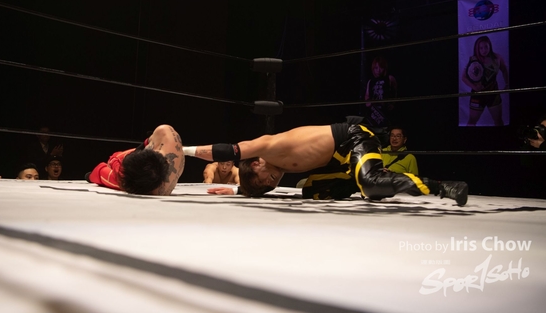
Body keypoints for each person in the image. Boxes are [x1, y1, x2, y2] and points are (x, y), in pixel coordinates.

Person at [185, 116, 468, 206]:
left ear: (257, 163)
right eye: (269, 186)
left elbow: (229, 151)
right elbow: (260, 182)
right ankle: (367, 181)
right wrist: (240, 189)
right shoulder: (276, 166)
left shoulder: (268, 147)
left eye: (266, 180)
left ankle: (443, 186)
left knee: (370, 184)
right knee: (311, 190)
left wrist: (182, 150)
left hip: (355, 139)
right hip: (339, 160)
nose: (273, 182)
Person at [86, 124, 185, 195]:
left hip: (134, 176)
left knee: (114, 164)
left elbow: (97, 173)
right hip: (147, 159)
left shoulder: (132, 183)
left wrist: (91, 176)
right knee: (117, 160)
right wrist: (146, 143)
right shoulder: (165, 132)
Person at [461, 35, 509, 126]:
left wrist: (507, 84)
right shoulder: (473, 60)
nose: (484, 50)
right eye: (481, 48)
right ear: (477, 48)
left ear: (490, 46)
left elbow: (504, 70)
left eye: (486, 47)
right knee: (472, 121)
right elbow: (463, 77)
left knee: (498, 121)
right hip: (477, 95)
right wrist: (475, 87)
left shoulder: (497, 58)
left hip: (493, 94)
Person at [364, 56, 397, 128]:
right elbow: (367, 96)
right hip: (374, 112)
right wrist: (369, 103)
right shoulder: (370, 81)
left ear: (384, 68)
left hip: (386, 112)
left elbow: (395, 92)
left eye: (381, 67)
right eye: (376, 68)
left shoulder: (390, 78)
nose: (378, 70)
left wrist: (393, 104)